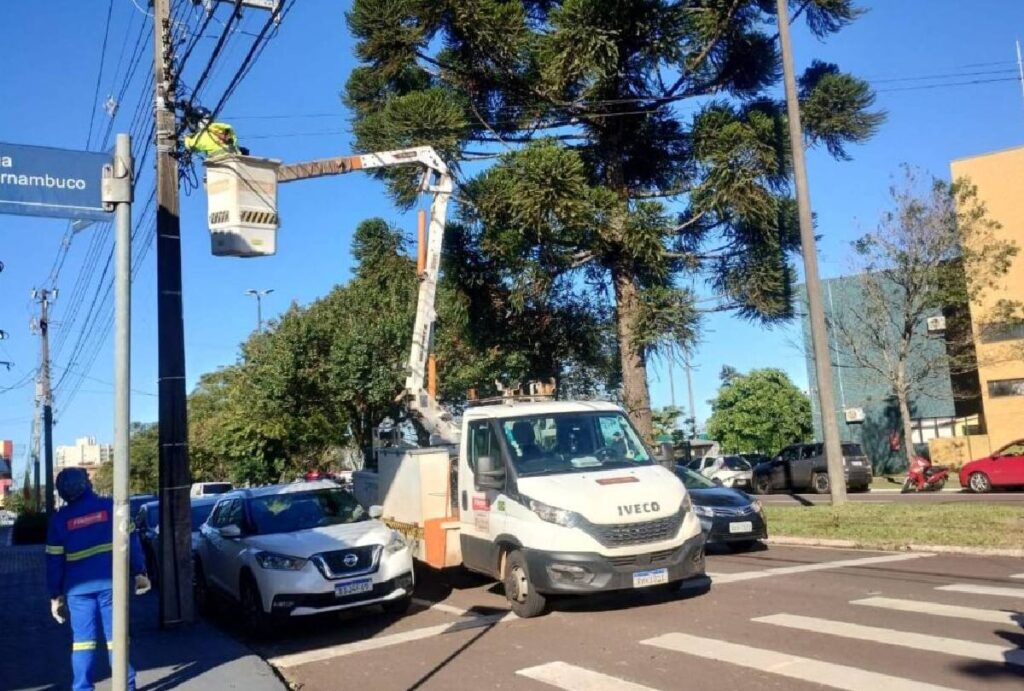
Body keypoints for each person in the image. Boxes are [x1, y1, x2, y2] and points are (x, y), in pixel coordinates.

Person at [46, 468, 151, 691]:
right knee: (117, 640)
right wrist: (139, 571)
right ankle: (125, 686)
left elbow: (54, 562)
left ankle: (82, 688)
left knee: (83, 643)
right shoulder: (111, 508)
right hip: (113, 585)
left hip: (78, 591)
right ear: (87, 484)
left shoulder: (59, 521)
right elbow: (131, 542)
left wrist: (55, 595)